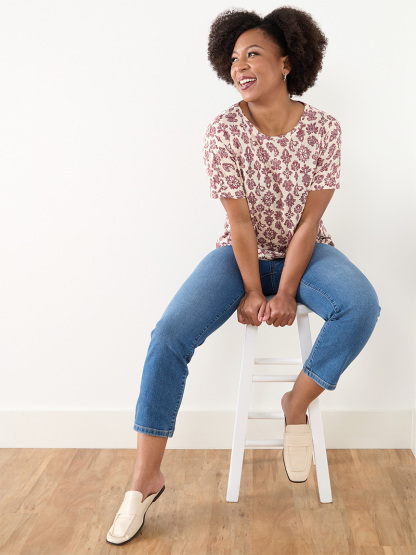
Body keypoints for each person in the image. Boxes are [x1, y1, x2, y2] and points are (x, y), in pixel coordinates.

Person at [106, 6, 381, 545]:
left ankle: (296, 404)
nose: (240, 66)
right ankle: (144, 479)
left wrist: (286, 290)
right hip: (240, 253)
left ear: (287, 62)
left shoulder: (324, 129)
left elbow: (309, 222)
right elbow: (239, 223)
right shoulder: (224, 131)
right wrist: (254, 289)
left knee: (361, 305)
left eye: (252, 54)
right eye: (233, 59)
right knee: (168, 336)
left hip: (308, 251)